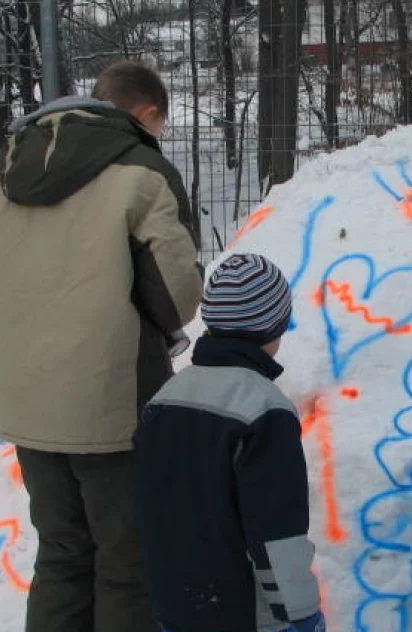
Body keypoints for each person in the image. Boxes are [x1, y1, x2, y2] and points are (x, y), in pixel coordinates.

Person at [0, 60, 204, 632]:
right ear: (145, 113)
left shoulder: (8, 169)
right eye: (158, 125)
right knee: (126, 560)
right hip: (112, 404)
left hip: (27, 404)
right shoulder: (143, 171)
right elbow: (176, 295)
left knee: (62, 554)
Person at [133, 253, 325, 632]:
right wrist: (301, 613)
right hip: (242, 613)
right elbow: (277, 531)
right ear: (277, 325)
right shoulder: (265, 410)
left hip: (176, 603)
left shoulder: (164, 399)